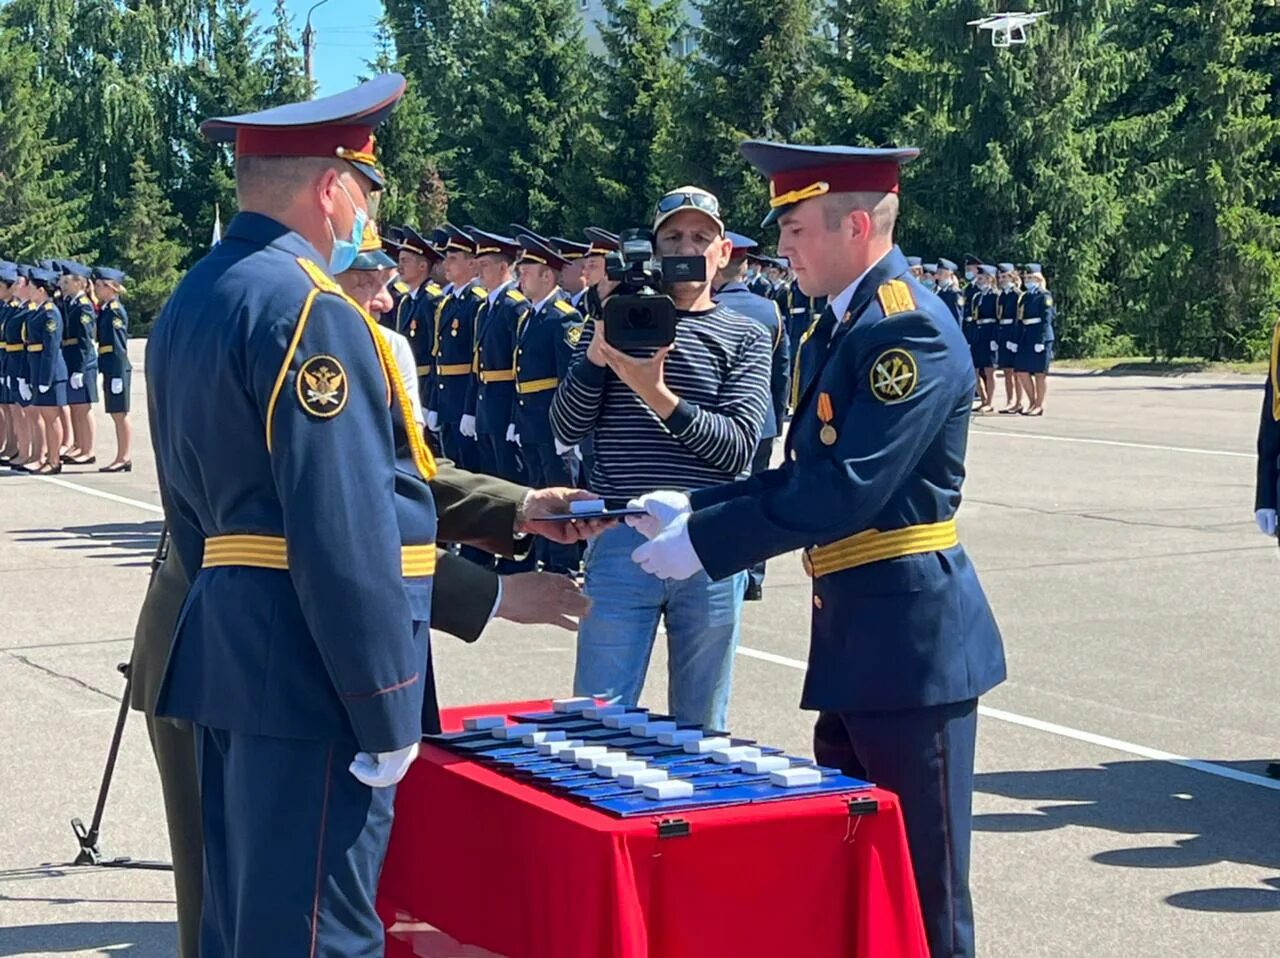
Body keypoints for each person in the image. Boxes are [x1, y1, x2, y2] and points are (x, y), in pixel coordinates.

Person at [144, 75, 603, 957]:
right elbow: (345, 532)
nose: (368, 220)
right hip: (313, 676)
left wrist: (516, 509)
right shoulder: (312, 312)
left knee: (245, 926)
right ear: (330, 189)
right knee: (321, 936)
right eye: (365, 192)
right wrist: (386, 712)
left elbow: (194, 515)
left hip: (229, 650)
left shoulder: (195, 298)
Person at [629, 141, 1006, 958]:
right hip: (863, 638)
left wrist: (705, 541)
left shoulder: (904, 329)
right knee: (866, 874)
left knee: (923, 888)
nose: (786, 246)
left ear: (857, 226)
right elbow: (807, 473)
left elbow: (843, 493)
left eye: (797, 228)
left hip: (911, 648)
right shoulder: (844, 322)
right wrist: (697, 504)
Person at [551, 185, 771, 730]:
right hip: (621, 531)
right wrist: (597, 358)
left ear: (723, 253)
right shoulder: (615, 321)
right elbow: (565, 426)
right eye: (673, 236)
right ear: (653, 248)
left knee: (702, 726)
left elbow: (738, 448)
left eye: (701, 236)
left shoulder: (746, 333)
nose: (687, 247)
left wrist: (655, 391)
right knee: (596, 717)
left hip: (708, 538)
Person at [714, 231, 790, 601]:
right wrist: (775, 419)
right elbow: (782, 373)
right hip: (760, 424)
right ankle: (753, 577)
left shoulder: (706, 307)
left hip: (715, 426)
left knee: (719, 499)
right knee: (756, 499)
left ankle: (724, 568)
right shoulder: (769, 309)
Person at [514, 231, 587, 574]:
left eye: (527, 270)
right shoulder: (531, 315)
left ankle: (566, 562)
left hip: (551, 420)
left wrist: (567, 428)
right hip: (530, 419)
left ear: (547, 275)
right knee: (539, 488)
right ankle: (543, 554)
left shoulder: (563, 317)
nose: (521, 276)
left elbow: (569, 377)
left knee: (560, 491)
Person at [433, 224, 487, 472]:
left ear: (472, 265)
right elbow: (439, 358)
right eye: (446, 258)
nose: (447, 264)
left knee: (470, 467)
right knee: (450, 462)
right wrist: (434, 402)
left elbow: (477, 360)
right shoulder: (448, 302)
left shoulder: (476, 301)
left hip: (464, 395)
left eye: (454, 258)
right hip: (446, 399)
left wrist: (470, 409)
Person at [57, 261, 99, 464]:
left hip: (82, 361)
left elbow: (84, 340)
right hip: (71, 358)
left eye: (67, 281)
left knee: (83, 408)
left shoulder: (83, 307)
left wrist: (80, 369)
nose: (63, 285)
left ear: (79, 283)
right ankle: (79, 446)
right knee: (75, 407)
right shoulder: (71, 304)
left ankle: (88, 449)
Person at [26, 266, 67, 474]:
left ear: (41, 290)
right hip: (40, 370)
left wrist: (45, 378)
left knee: (51, 418)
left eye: (32, 288)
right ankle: (49, 458)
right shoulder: (40, 311)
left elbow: (50, 349)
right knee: (46, 416)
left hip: (50, 373)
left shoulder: (50, 313)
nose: (29, 291)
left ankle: (54, 460)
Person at [93, 267, 134, 472]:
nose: (96, 290)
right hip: (110, 366)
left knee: (120, 413)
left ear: (110, 287)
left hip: (117, 367)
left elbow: (118, 345)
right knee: (116, 413)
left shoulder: (115, 310)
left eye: (99, 286)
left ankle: (124, 456)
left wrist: (117, 373)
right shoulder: (107, 309)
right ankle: (121, 456)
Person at [1016, 263, 1054, 416]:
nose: (1027, 281)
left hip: (1040, 335)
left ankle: (1039, 404)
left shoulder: (1044, 295)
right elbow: (1020, 318)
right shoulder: (1025, 296)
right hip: (1026, 335)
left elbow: (1047, 319)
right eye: (1026, 278)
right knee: (1021, 370)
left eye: (1030, 278)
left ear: (1038, 279)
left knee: (1040, 372)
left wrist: (1041, 340)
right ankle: (1032, 401)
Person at [970, 265, 1000, 413]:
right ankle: (983, 399)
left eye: (981, 278)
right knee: (975, 370)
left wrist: (995, 338)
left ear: (989, 278)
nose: (978, 281)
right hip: (978, 334)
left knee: (989, 370)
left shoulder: (996, 296)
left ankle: (990, 401)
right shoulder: (977, 296)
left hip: (990, 333)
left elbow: (997, 318)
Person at [996, 263, 1024, 413]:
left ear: (1012, 277)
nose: (1002, 279)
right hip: (1003, 332)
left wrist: (1014, 339)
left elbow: (1018, 319)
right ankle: (1010, 400)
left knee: (1016, 371)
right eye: (1000, 277)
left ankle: (1019, 402)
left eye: (1005, 276)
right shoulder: (1002, 295)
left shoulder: (1017, 294)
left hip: (1013, 333)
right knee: (1007, 371)